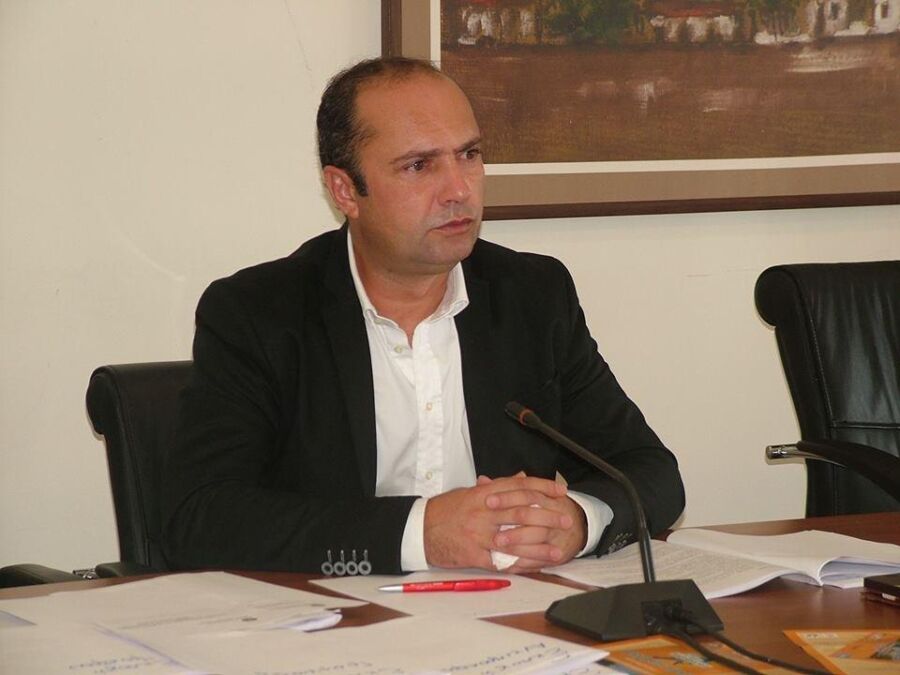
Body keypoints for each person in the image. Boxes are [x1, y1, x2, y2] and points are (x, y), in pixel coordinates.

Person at [162, 57, 684, 576]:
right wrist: (421, 534)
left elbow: (650, 471)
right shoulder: (259, 313)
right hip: (340, 615)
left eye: (469, 155)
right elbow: (200, 519)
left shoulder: (532, 295)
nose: (459, 189)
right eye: (419, 166)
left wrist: (579, 520)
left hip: (508, 611)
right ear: (345, 191)